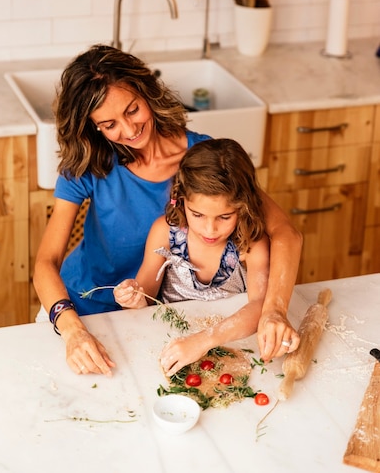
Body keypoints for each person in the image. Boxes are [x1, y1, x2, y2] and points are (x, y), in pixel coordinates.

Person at [33, 45, 302, 377]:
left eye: (132, 110)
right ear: (93, 128)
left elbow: (286, 233)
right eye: (109, 124)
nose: (129, 130)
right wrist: (72, 328)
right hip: (79, 307)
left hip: (155, 313)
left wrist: (273, 309)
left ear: (147, 93)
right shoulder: (90, 165)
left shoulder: (202, 160)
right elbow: (46, 263)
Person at [114, 138, 273, 376]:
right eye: (197, 215)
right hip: (170, 346)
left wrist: (203, 341)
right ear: (180, 199)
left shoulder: (250, 242)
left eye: (225, 217)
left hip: (235, 348)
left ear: (244, 206)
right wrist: (134, 300)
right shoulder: (165, 232)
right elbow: (145, 298)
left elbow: (261, 306)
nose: (210, 229)